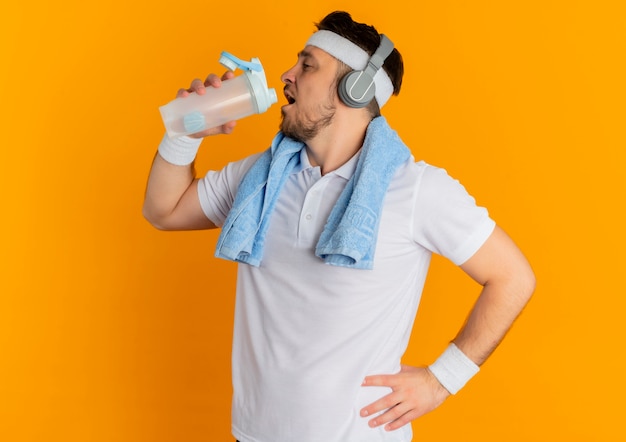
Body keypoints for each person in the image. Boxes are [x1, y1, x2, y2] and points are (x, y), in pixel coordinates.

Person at [143, 10, 535, 442]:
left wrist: (442, 380)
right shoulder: (261, 178)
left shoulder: (416, 188)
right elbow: (165, 211)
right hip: (253, 435)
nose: (286, 75)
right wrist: (184, 130)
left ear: (356, 87)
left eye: (307, 65)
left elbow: (513, 278)